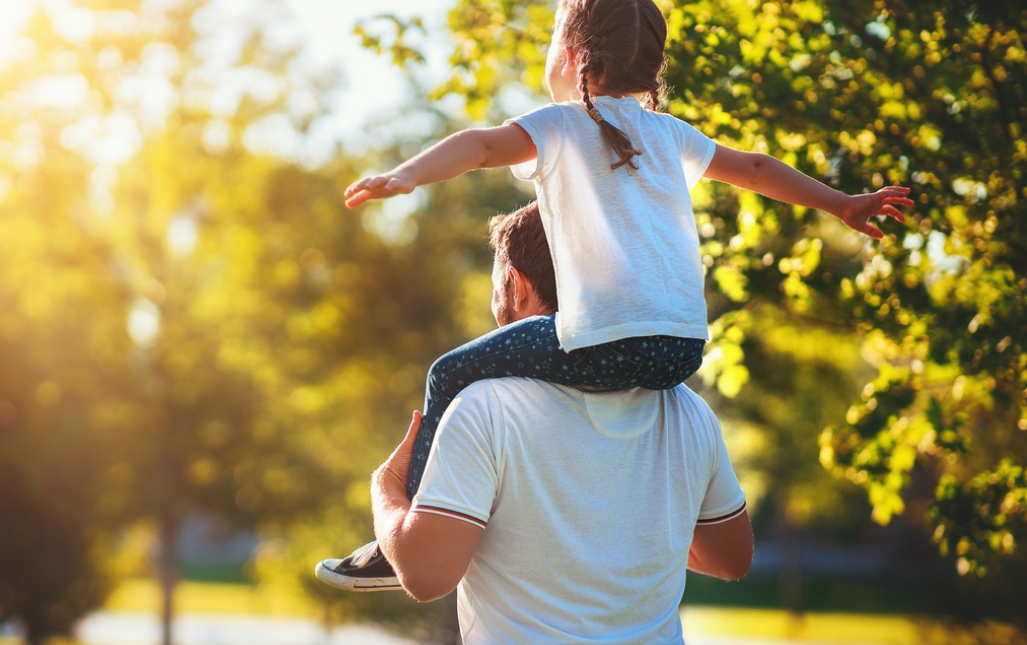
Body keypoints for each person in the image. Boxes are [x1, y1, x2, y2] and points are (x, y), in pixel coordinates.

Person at [319, 0, 911, 588]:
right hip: (681, 351)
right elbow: (755, 168)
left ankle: (407, 534)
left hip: (604, 341)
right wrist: (841, 203)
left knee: (449, 374)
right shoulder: (670, 135)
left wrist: (406, 176)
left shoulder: (561, 124)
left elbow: (480, 146)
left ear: (571, 54)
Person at [365, 203, 752, 643]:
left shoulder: (485, 407)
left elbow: (426, 575)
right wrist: (620, 538)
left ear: (516, 285)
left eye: (497, 286)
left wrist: (386, 488)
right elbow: (730, 558)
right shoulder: (687, 408)